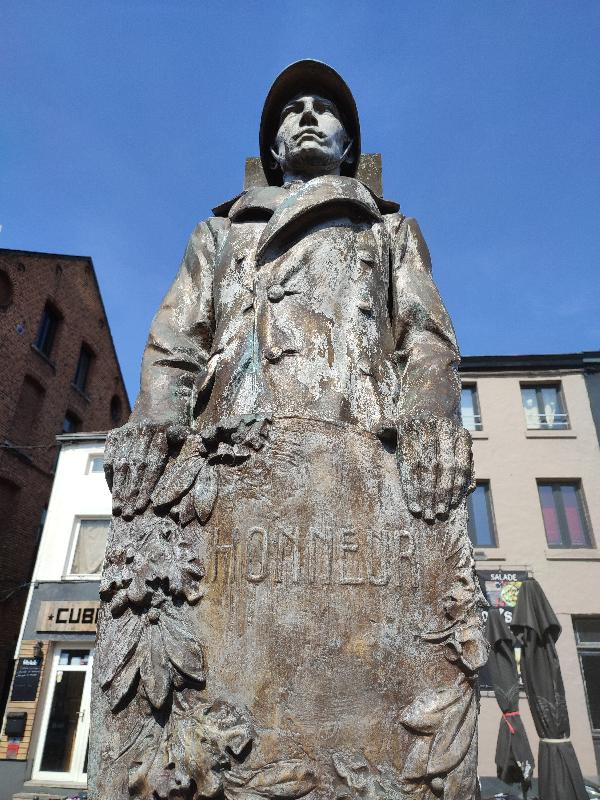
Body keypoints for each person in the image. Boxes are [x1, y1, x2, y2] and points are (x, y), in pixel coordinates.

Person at [93, 61, 486, 800]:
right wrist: (153, 422)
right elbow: (176, 344)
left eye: (324, 109)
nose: (307, 116)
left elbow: (428, 337)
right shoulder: (219, 232)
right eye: (291, 111)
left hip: (352, 444)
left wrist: (430, 416)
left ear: (348, 147)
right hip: (236, 455)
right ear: (273, 150)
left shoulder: (389, 230)